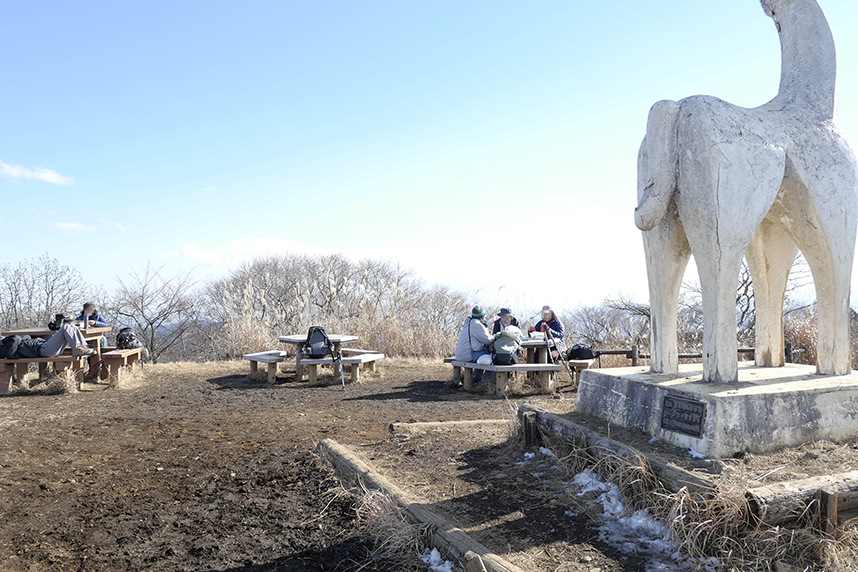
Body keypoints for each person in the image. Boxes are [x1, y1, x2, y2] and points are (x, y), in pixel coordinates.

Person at [0, 321, 96, 360]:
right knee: (66, 327)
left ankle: (82, 347)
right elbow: (16, 339)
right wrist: (7, 340)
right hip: (44, 350)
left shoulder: (10, 343)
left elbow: (26, 337)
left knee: (71, 326)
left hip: (45, 346)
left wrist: (9, 339)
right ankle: (77, 348)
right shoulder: (5, 348)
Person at [455, 305, 493, 384]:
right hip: (468, 355)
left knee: (483, 356)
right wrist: (496, 336)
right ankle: (483, 383)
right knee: (491, 359)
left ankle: (476, 377)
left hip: (460, 354)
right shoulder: (477, 325)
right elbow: (488, 340)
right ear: (482, 317)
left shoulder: (468, 323)